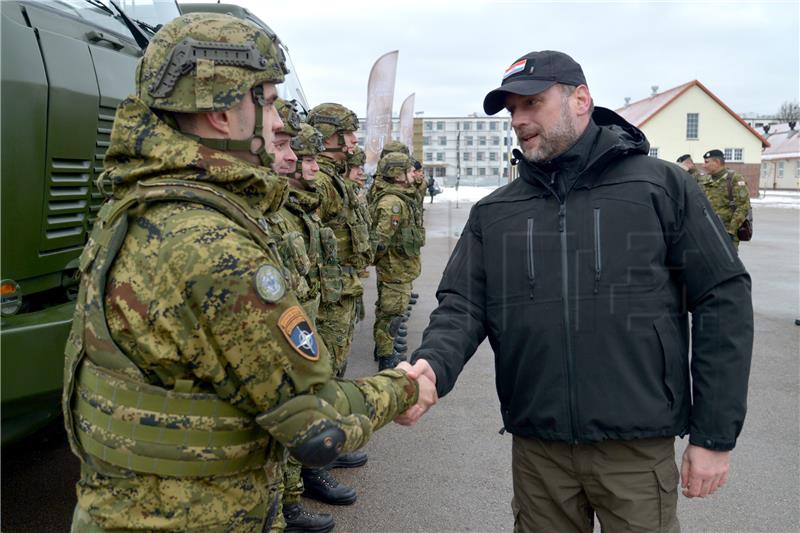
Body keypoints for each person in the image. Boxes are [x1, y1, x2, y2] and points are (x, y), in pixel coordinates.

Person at [62, 14, 435, 532]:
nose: (280, 121)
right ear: (221, 112)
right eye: (266, 100)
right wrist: (403, 388)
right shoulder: (211, 245)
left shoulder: (136, 206)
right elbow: (317, 423)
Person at [399, 50, 753, 532]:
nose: (519, 121)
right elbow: (462, 305)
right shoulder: (495, 213)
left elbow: (722, 299)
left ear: (580, 99)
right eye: (511, 110)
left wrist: (714, 434)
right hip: (538, 452)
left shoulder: (660, 187)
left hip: (635, 449)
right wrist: (431, 367)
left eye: (532, 103)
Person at [307, 103, 373, 379]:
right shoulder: (320, 182)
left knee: (336, 364)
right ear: (329, 134)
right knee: (326, 369)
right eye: (348, 134)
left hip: (341, 289)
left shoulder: (332, 179)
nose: (354, 141)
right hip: (328, 297)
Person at [370, 153, 423, 370]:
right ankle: (386, 358)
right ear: (397, 175)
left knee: (391, 313)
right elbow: (380, 242)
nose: (414, 173)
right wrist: (385, 266)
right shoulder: (392, 203)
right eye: (409, 170)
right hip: (395, 272)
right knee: (390, 316)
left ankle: (385, 350)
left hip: (400, 270)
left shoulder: (401, 199)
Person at [701, 149, 753, 250]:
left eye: (707, 162)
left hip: (727, 233)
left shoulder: (734, 179)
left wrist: (730, 232)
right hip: (708, 232)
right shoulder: (706, 180)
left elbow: (743, 206)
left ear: (717, 162)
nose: (704, 165)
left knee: (727, 264)